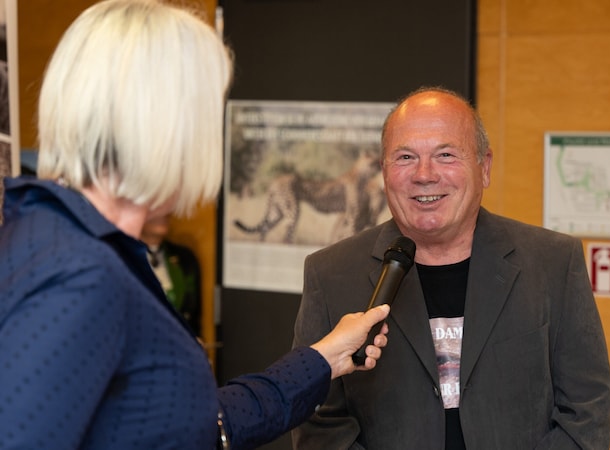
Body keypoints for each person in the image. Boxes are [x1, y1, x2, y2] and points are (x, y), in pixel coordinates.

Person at [0, 1, 390, 449]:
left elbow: (200, 422)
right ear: (165, 124)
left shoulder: (77, 244)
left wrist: (324, 358)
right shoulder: (79, 271)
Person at [291, 87, 610, 449]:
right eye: (405, 157)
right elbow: (318, 423)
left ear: (484, 167)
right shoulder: (330, 273)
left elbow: (586, 412)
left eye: (445, 155)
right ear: (384, 172)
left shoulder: (553, 262)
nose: (424, 175)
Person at [141, 214, 202, 335]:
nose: (164, 212)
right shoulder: (118, 257)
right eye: (155, 204)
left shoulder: (185, 258)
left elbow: (194, 319)